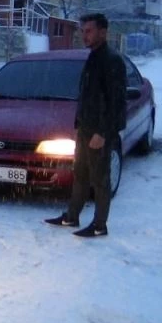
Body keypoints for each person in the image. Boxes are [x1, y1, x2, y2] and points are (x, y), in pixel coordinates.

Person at [45, 13, 126, 238]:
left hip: (100, 131)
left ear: (103, 32)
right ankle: (72, 216)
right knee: (80, 174)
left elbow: (116, 102)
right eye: (82, 31)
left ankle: (100, 225)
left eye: (89, 31)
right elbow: (87, 95)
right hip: (85, 127)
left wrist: (103, 132)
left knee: (100, 179)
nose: (84, 35)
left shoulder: (112, 60)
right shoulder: (93, 57)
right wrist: (78, 123)